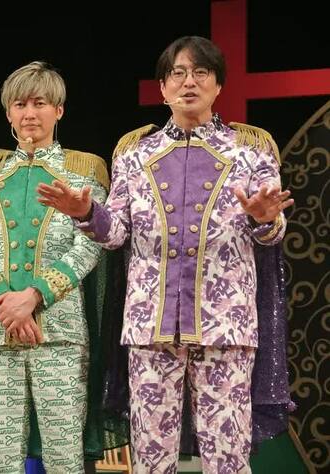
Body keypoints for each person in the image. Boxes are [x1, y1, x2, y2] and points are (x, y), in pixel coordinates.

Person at [38, 36, 294, 473]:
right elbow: (116, 233)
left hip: (225, 325)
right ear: (162, 87)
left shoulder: (251, 155)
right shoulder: (135, 156)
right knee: (151, 455)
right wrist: (87, 214)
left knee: (228, 457)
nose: (188, 82)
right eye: (178, 73)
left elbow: (272, 234)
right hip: (150, 324)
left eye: (200, 73)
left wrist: (264, 220)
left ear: (218, 85)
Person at [0, 61, 118, 473]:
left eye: (40, 103)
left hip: (60, 333)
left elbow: (90, 246)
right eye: (20, 104)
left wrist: (34, 296)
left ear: (59, 110)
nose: (30, 113)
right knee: (2, 460)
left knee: (64, 458)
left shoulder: (82, 173)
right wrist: (4, 302)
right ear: (8, 113)